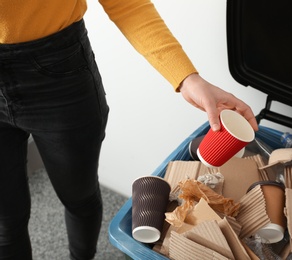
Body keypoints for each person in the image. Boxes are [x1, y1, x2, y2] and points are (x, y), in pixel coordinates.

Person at [0, 0, 258, 259]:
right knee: (5, 221)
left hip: (57, 74)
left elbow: (128, 4)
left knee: (79, 198)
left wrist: (186, 77)